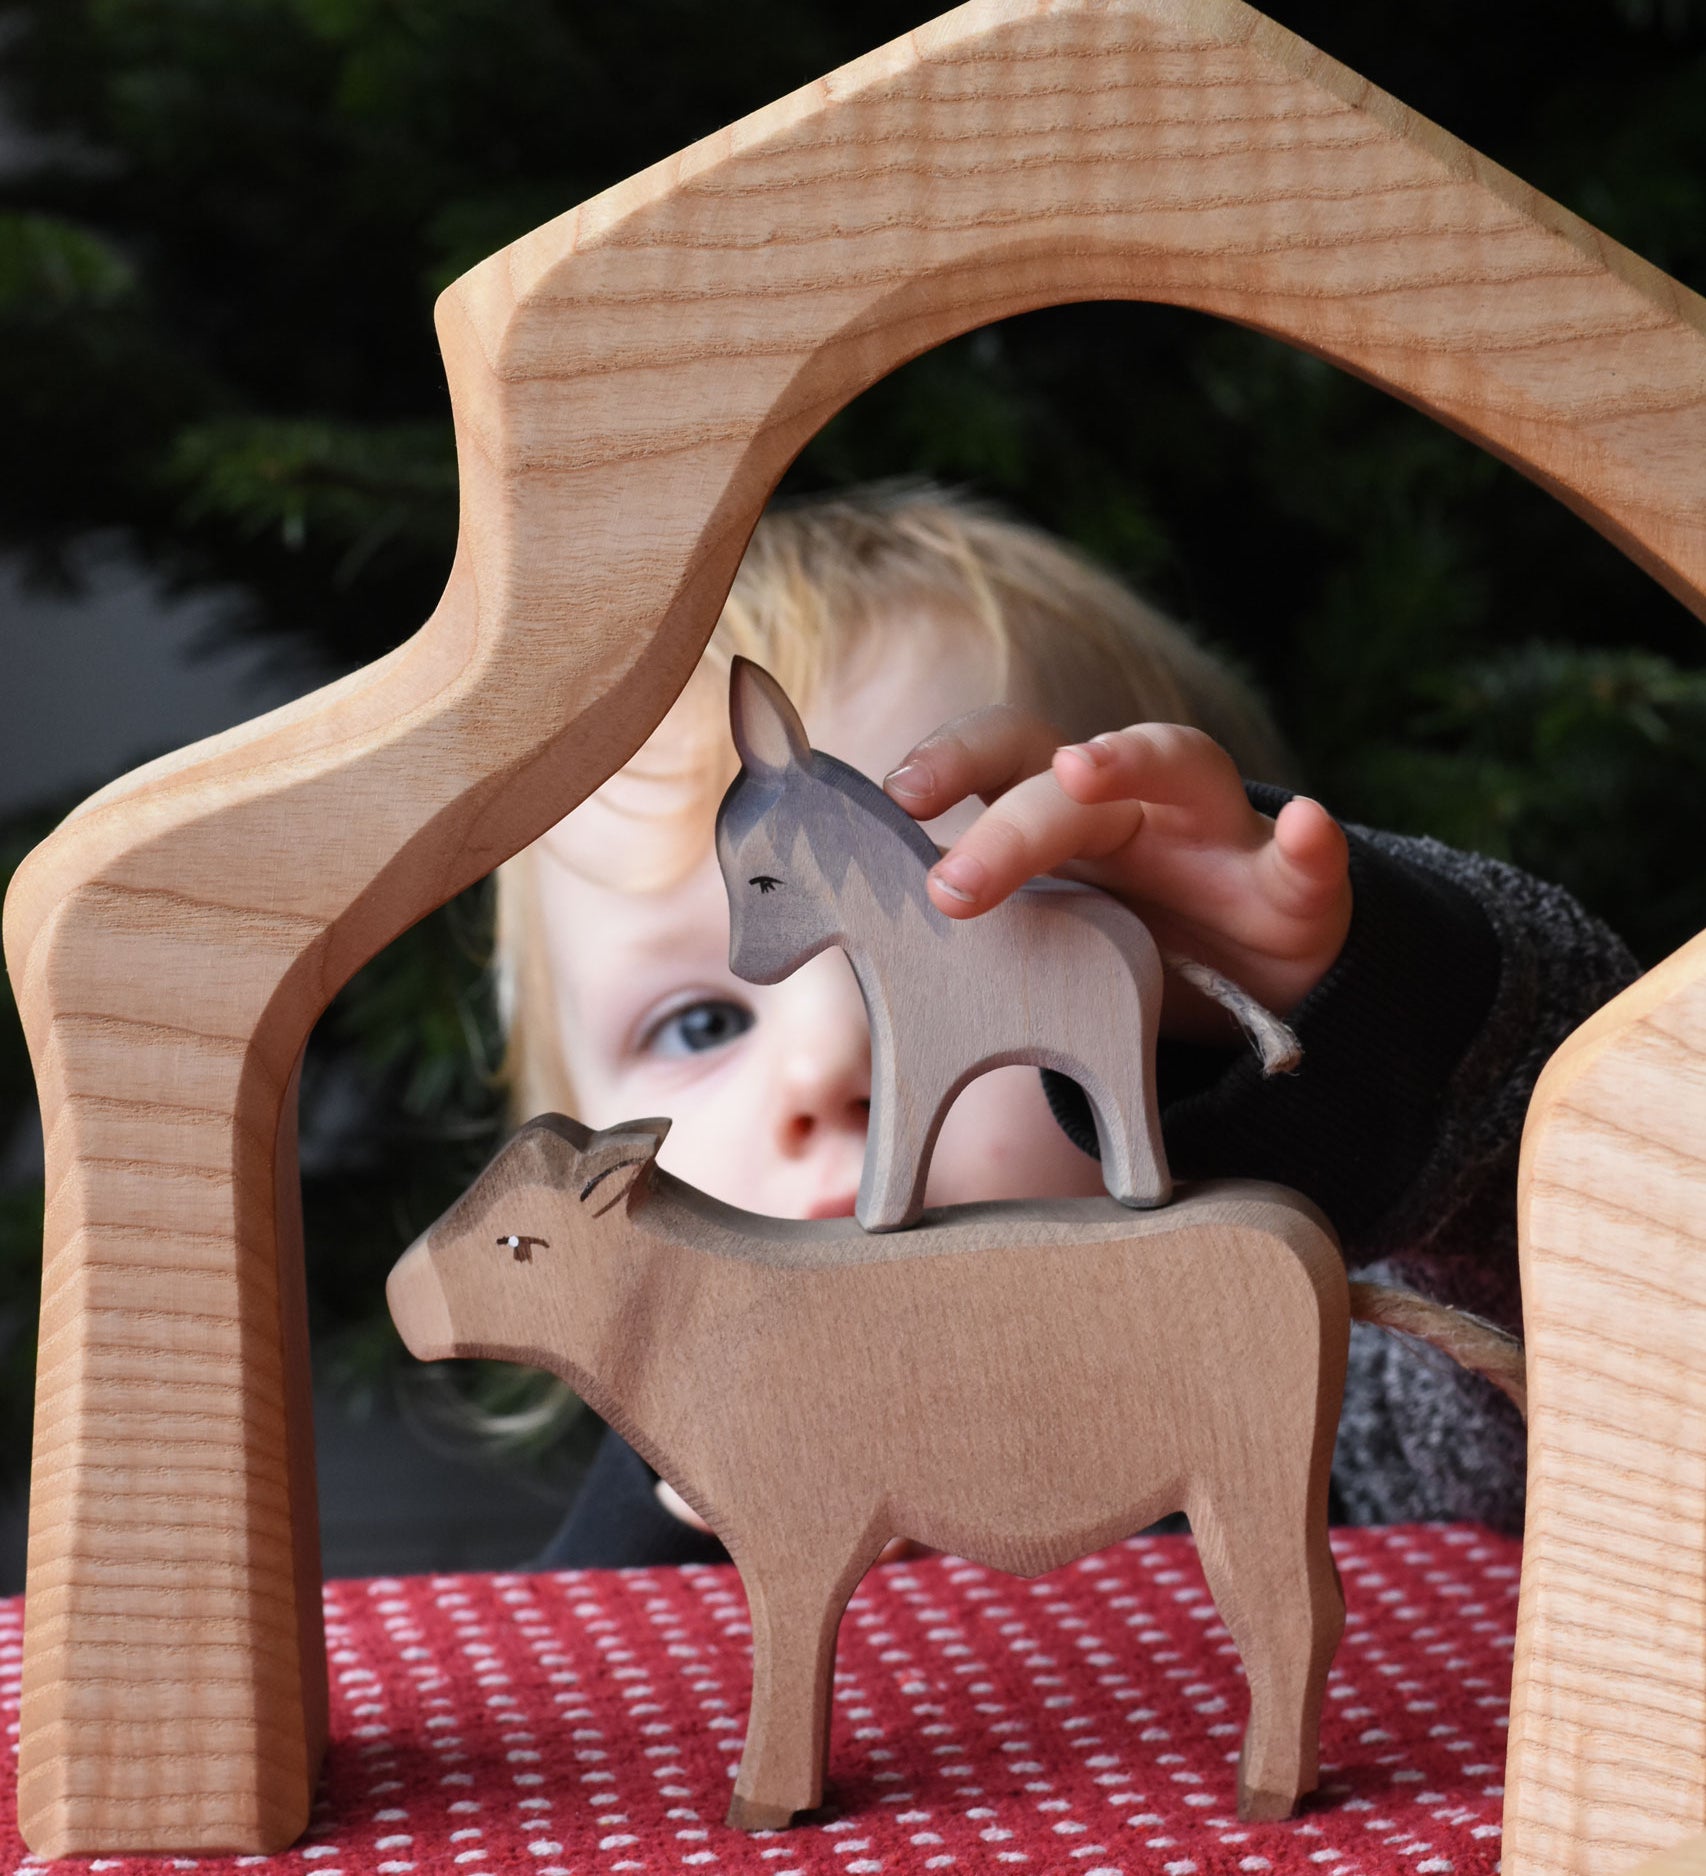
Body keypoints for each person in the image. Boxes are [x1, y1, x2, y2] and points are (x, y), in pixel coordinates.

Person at [491, 482, 1636, 1567]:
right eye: (697, 1025)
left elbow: (1627, 1305)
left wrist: (1370, 1006)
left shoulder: (1332, 1407)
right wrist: (684, 1507)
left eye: (992, 941)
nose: (824, 1069)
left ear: (1188, 1025)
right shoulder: (658, 1493)